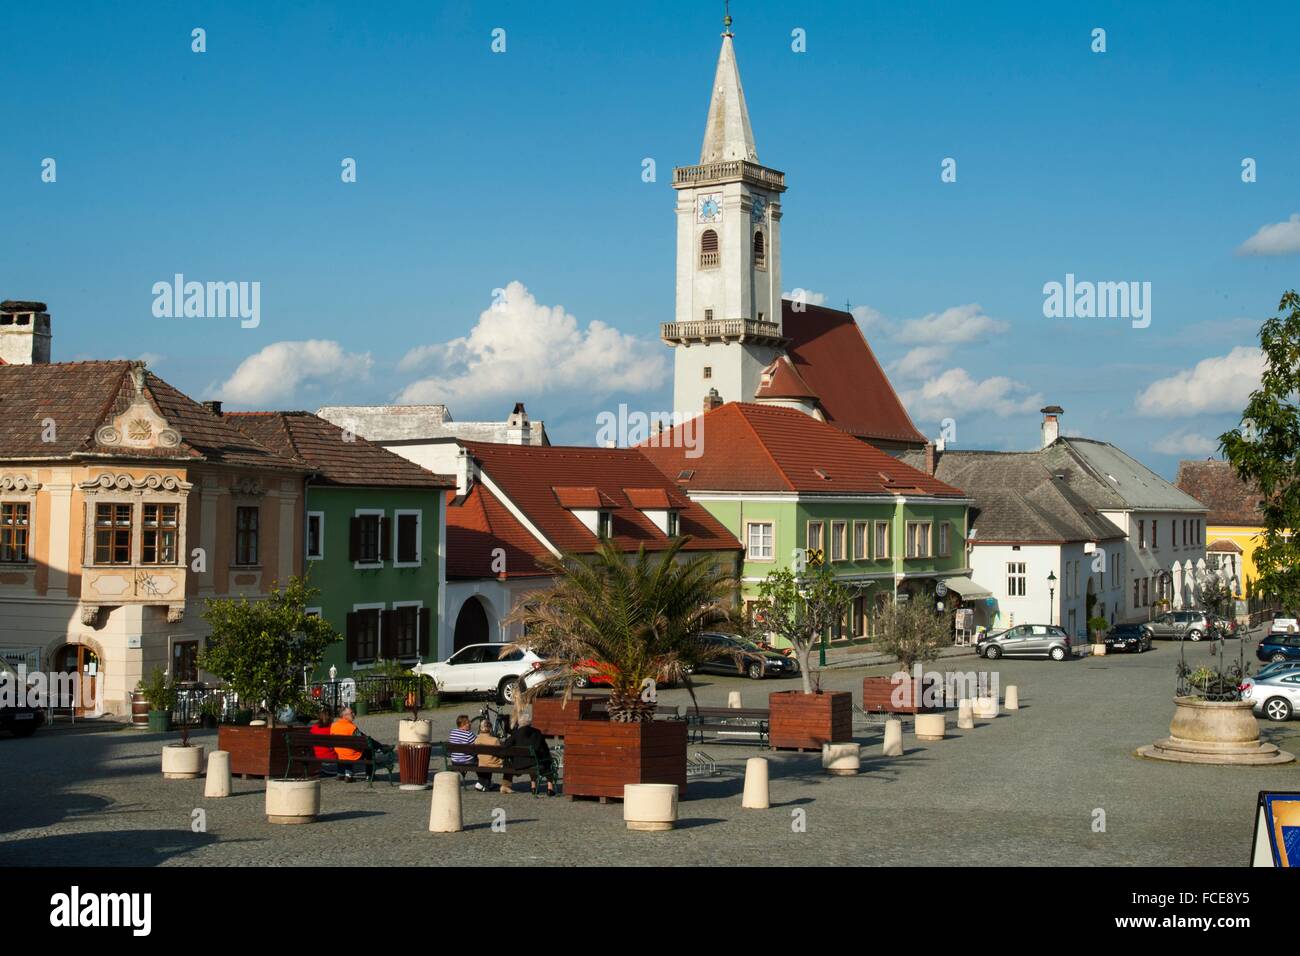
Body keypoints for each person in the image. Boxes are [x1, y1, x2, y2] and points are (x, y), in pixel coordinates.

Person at [500, 712, 555, 796]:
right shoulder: (537, 732)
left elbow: (506, 745)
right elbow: (545, 748)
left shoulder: (516, 733)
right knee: (547, 761)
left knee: (531, 761)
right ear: (530, 722)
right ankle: (550, 787)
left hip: (519, 764)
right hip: (535, 764)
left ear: (519, 723)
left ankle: (533, 786)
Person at [330, 706, 367, 782]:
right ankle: (369, 775)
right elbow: (362, 741)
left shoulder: (334, 725)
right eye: (351, 713)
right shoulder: (352, 727)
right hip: (350, 754)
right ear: (344, 716)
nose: (354, 714)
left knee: (343, 750)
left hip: (339, 752)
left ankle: (340, 774)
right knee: (369, 751)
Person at [471, 718, 502, 792]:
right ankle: (485, 783)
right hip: (493, 764)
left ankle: (484, 783)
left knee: (485, 759)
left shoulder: (477, 739)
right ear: (490, 728)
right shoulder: (495, 740)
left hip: (481, 763)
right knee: (492, 759)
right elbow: (501, 753)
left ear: (480, 728)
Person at [448, 714, 477, 783]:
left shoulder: (453, 732)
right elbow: (477, 746)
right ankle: (483, 781)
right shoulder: (469, 734)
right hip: (467, 761)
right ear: (463, 724)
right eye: (468, 722)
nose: (470, 724)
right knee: (481, 760)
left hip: (454, 761)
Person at [310, 708, 337, 777]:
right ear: (331, 717)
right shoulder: (333, 727)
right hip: (332, 757)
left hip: (319, 756)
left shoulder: (314, 728)